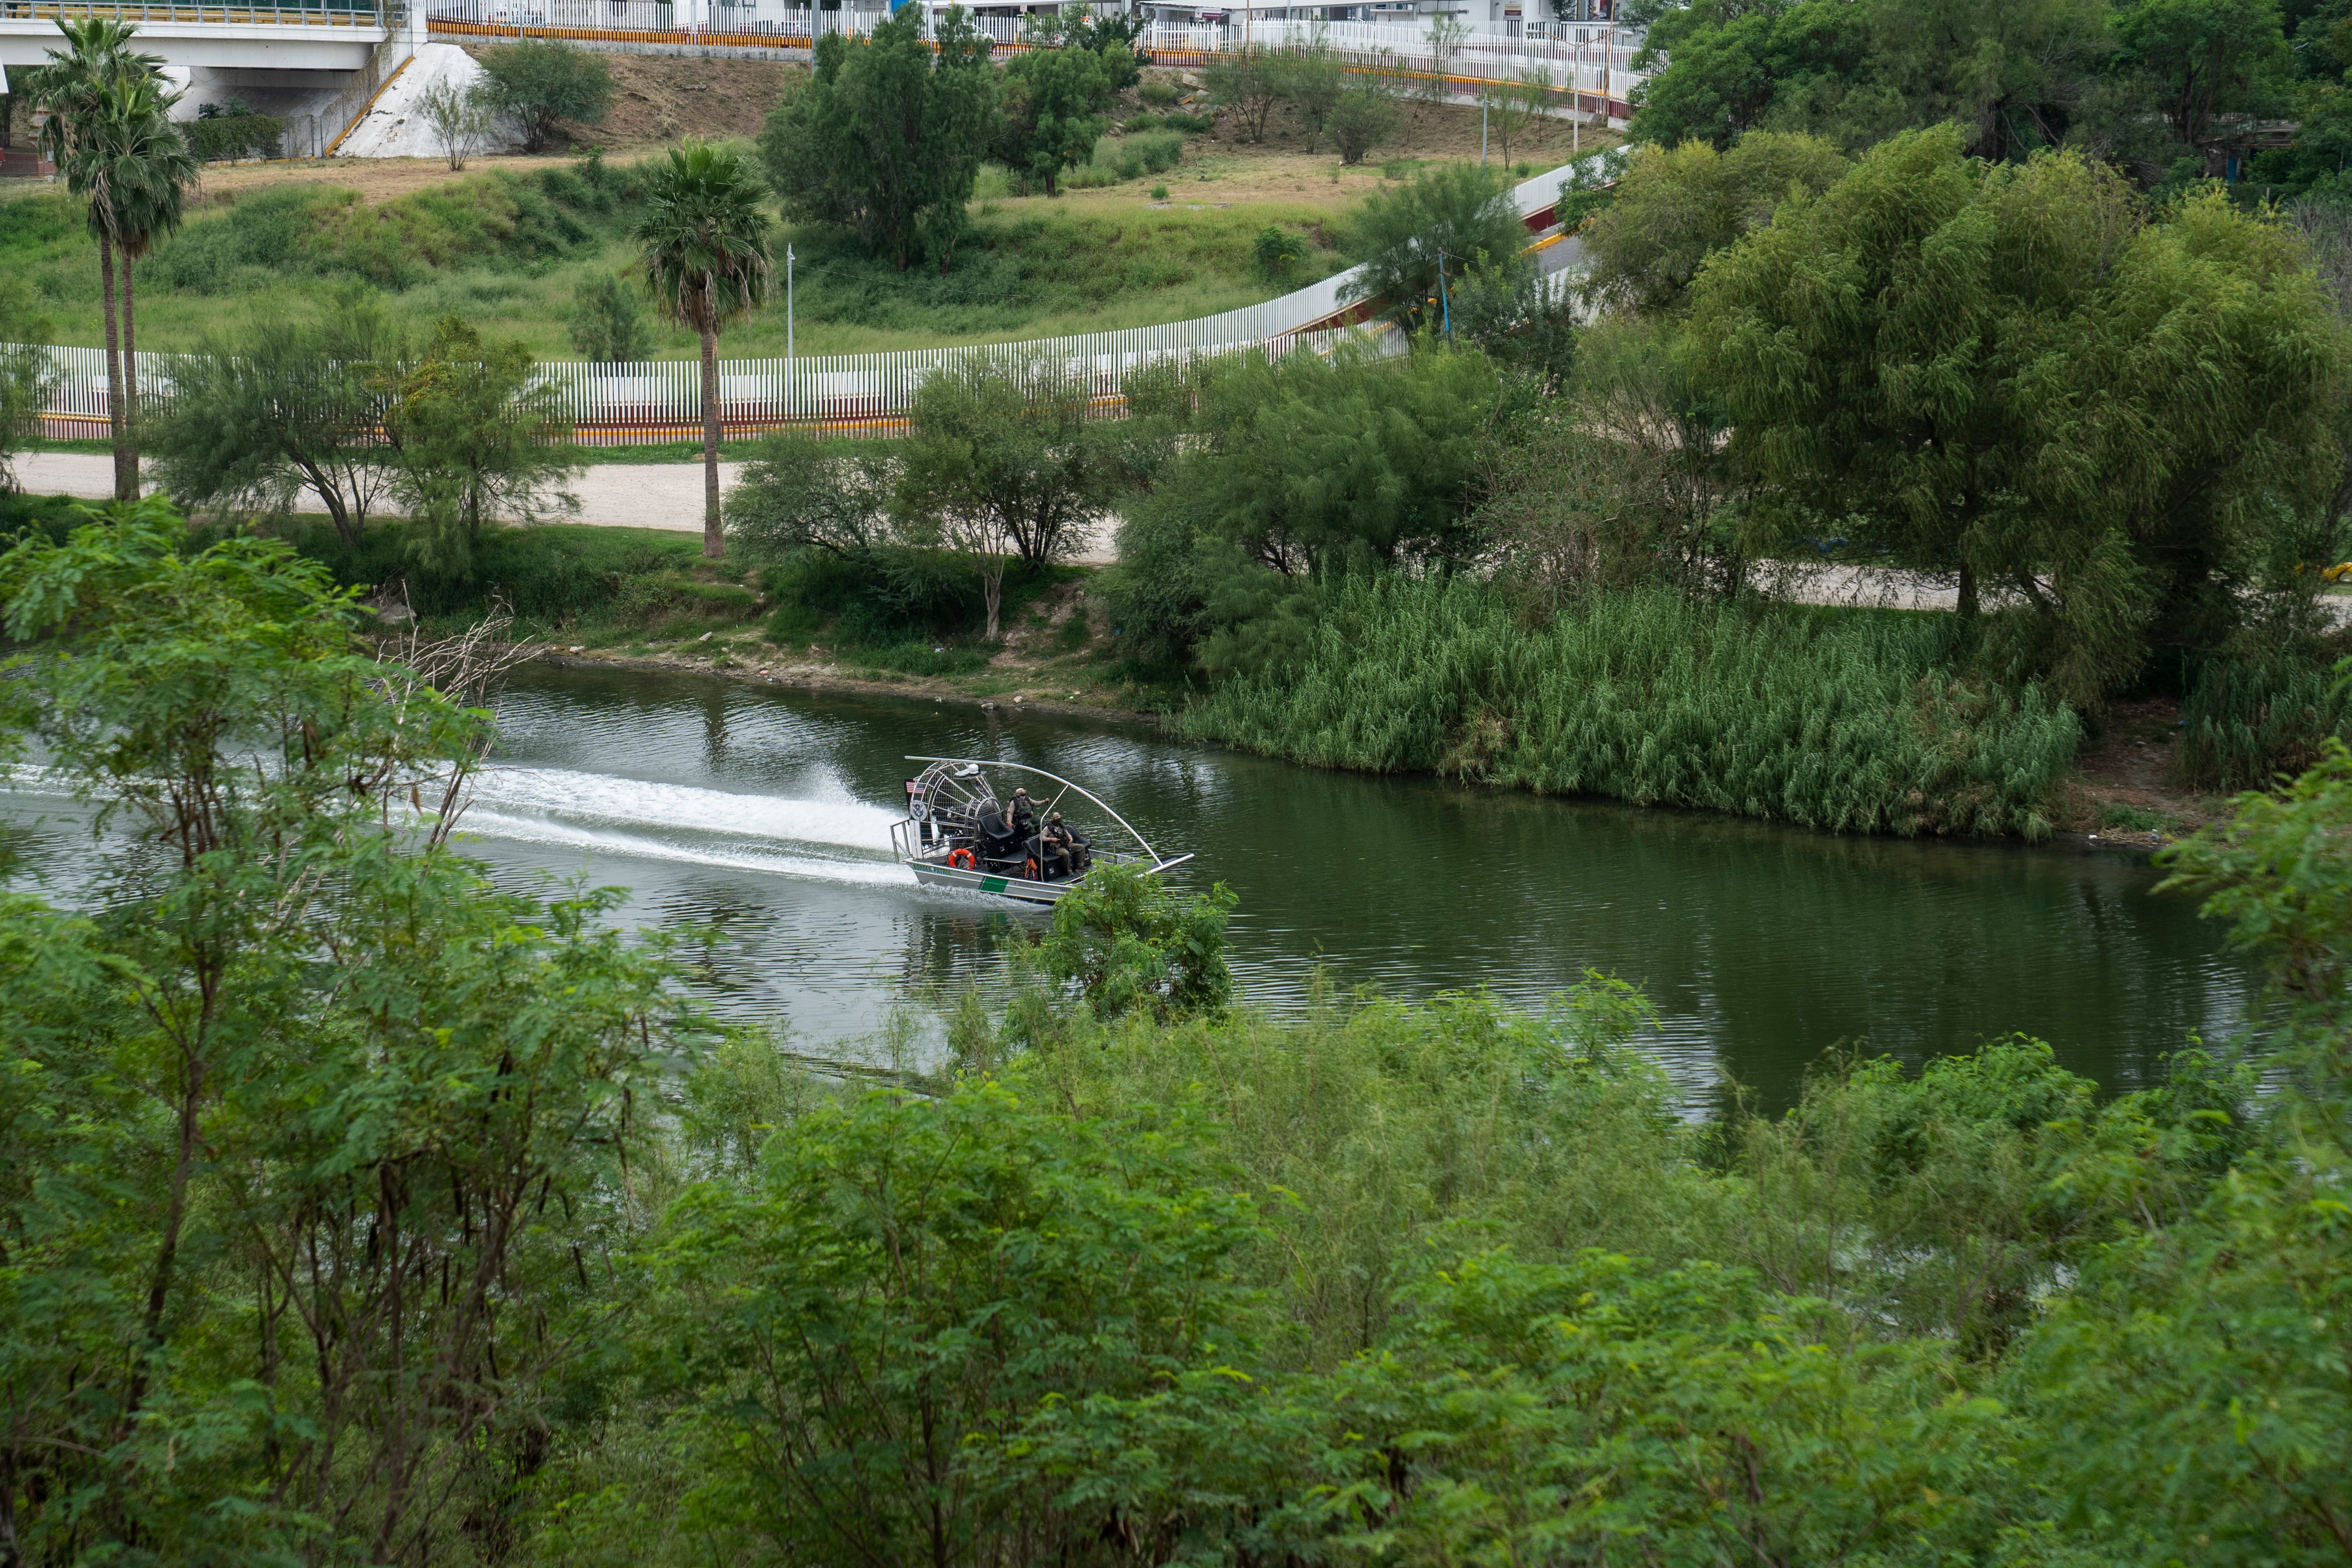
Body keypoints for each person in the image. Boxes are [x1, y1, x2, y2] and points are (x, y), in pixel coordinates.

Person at [1041, 811, 1089, 879]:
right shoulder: (1048, 828)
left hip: (1065, 844)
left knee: (1081, 847)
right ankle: (1069, 871)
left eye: (1059, 816)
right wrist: (1051, 839)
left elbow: (1066, 832)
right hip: (1056, 848)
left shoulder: (1061, 825)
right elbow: (1041, 837)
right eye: (1057, 817)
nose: (1058, 818)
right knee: (1066, 853)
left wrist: (1070, 837)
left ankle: (1080, 866)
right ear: (1053, 819)